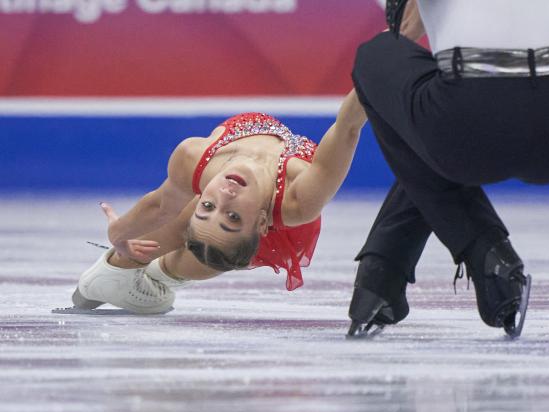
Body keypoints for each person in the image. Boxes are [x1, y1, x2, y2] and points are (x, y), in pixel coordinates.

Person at [347, 0, 549, 338]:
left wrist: (354, 115)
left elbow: (404, 33)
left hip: (477, 124)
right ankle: (380, 278)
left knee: (376, 56)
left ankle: (483, 252)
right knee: (429, 111)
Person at [71, 90, 366, 314]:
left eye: (210, 208)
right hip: (271, 222)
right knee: (195, 226)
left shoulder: (193, 157)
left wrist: (119, 235)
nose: (225, 195)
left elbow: (159, 207)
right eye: (233, 217)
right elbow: (349, 126)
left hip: (230, 216)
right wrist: (386, 53)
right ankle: (121, 275)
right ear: (262, 222)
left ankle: (156, 273)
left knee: (199, 231)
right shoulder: (300, 199)